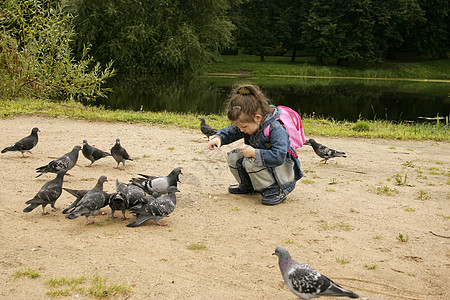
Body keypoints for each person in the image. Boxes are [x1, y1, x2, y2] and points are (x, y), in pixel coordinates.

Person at [207, 83, 303, 205]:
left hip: (281, 167)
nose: (241, 130)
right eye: (239, 127)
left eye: (244, 127)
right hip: (262, 159)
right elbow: (232, 132)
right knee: (233, 157)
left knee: (251, 162)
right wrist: (219, 137)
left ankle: (274, 191)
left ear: (257, 117)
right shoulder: (249, 123)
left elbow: (279, 156)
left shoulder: (275, 128)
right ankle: (247, 186)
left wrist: (254, 153)